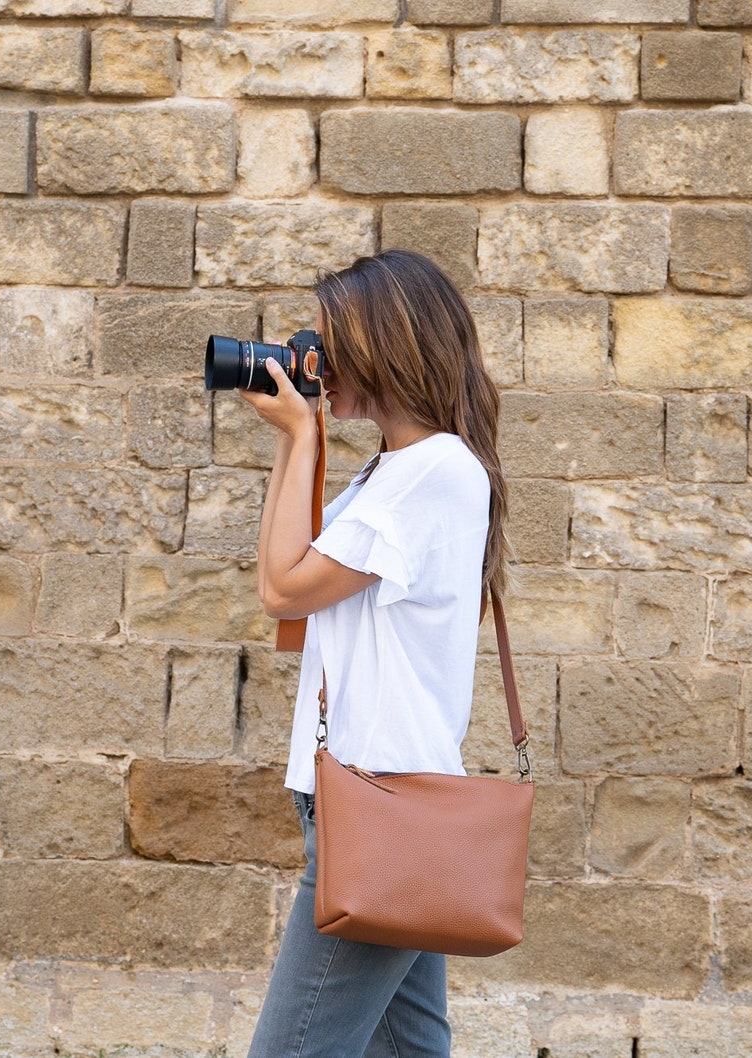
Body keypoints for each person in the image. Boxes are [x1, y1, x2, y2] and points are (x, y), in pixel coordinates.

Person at [241, 249, 509, 1058]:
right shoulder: (393, 469)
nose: (312, 362)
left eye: (327, 343)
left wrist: (298, 431)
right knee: (410, 1048)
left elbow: (283, 589)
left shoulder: (434, 472)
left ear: (383, 344)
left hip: (382, 799)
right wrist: (302, 441)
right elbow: (292, 589)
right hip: (370, 794)